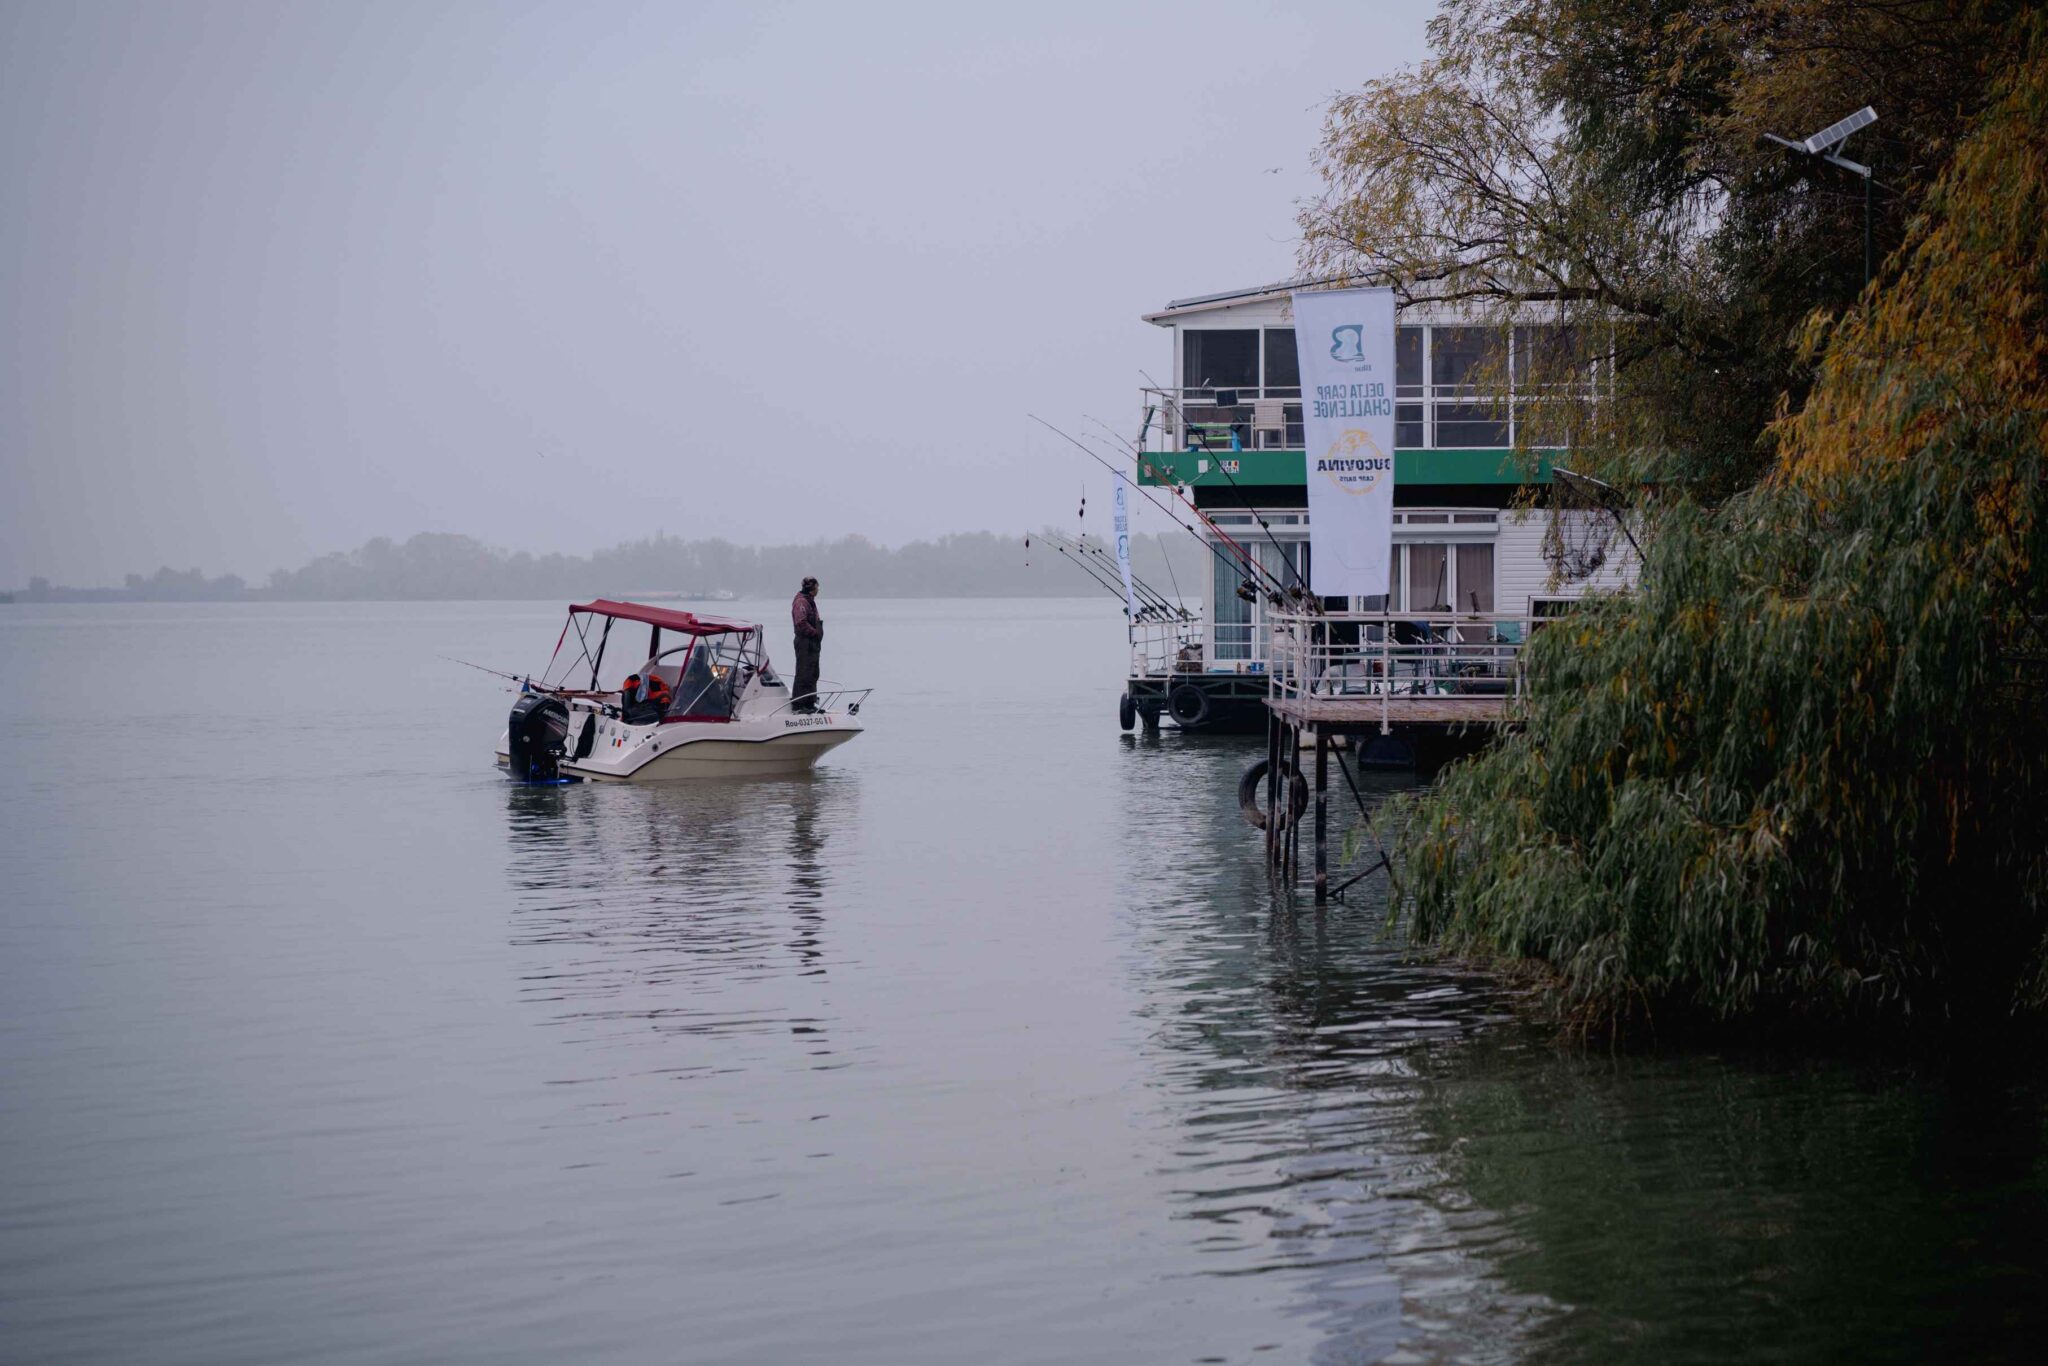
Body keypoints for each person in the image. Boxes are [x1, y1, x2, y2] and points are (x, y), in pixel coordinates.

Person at [791, 575, 823, 711]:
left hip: (812, 643)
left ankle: (810, 702)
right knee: (803, 672)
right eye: (817, 587)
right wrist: (815, 633)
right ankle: (799, 704)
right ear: (812, 588)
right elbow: (801, 623)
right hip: (804, 642)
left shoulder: (810, 601)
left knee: (813, 673)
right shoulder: (801, 602)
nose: (818, 589)